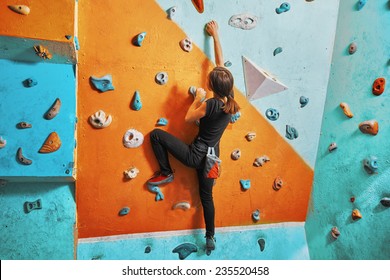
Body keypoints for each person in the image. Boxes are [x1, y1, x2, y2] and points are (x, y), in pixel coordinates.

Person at [147, 20, 240, 252]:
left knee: (156, 135)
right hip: (213, 160)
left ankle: (166, 172)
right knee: (206, 198)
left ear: (211, 86)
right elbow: (221, 65)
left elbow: (189, 118)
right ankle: (210, 237)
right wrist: (215, 35)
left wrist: (197, 97)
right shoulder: (231, 101)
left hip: (195, 155)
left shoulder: (208, 104)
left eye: (208, 80)